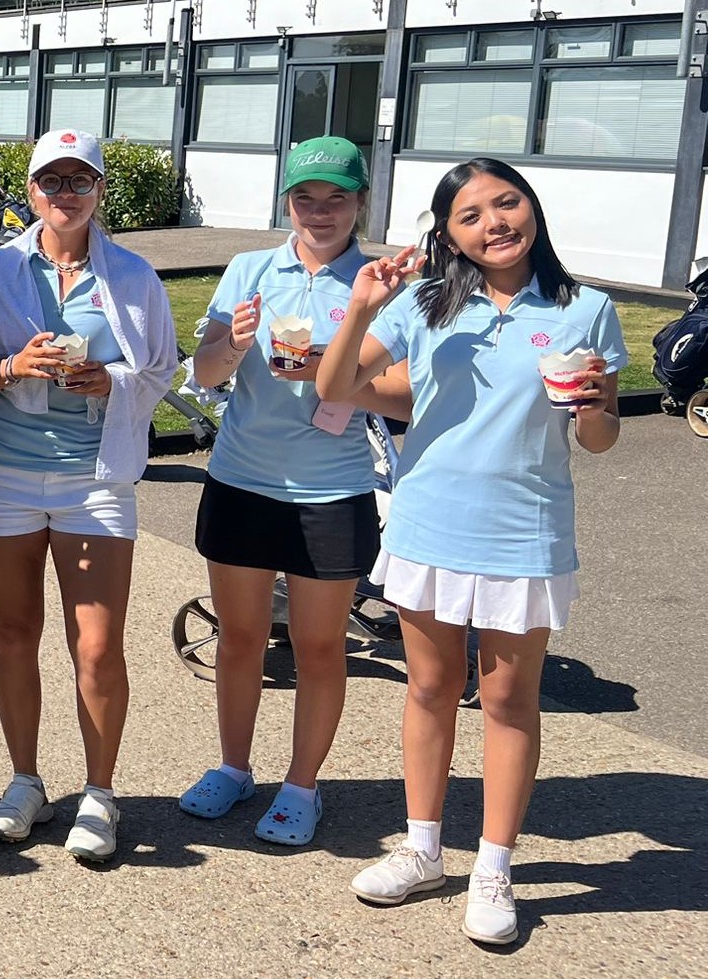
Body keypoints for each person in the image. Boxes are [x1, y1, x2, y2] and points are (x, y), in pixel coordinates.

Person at [318, 158, 624, 945]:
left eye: (506, 202)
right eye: (470, 214)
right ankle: (423, 849)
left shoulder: (584, 308)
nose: (494, 222)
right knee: (427, 686)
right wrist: (361, 306)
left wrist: (594, 404)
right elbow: (335, 384)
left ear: (532, 208)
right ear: (448, 234)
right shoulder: (425, 304)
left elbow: (598, 437)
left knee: (508, 701)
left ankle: (493, 864)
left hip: (526, 529)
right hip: (430, 523)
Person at [179, 137, 413, 846]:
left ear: (360, 203)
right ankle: (232, 766)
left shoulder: (379, 284)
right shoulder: (251, 269)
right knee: (241, 638)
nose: (319, 212)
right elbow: (207, 370)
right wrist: (236, 345)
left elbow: (404, 395)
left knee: (318, 646)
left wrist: (334, 372)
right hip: (243, 479)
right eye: (305, 198)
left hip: (334, 488)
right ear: (286, 201)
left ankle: (301, 785)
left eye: (336, 198)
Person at [0, 129, 177, 862]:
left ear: (100, 192)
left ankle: (101, 791)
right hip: (2, 471)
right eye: (52, 181)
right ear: (31, 192)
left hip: (96, 476)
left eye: (81, 181)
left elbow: (162, 370)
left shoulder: (134, 276)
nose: (66, 194)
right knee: (13, 632)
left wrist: (109, 380)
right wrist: (16, 364)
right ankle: (24, 780)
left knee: (98, 642)